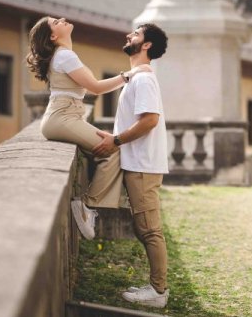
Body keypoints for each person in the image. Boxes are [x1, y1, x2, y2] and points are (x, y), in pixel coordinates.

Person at [26, 16, 149, 240]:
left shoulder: (62, 56)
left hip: (64, 117)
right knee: (113, 149)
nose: (62, 19)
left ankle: (93, 206)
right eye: (56, 22)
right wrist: (129, 75)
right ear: (53, 36)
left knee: (109, 146)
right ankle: (88, 207)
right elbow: (95, 87)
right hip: (63, 118)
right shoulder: (64, 55)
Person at [90, 23, 170, 308]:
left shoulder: (144, 79)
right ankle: (155, 286)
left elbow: (150, 120)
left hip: (143, 165)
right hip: (138, 162)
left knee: (149, 229)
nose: (128, 36)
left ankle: (158, 292)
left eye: (135, 34)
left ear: (146, 45)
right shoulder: (137, 77)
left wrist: (116, 140)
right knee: (142, 227)